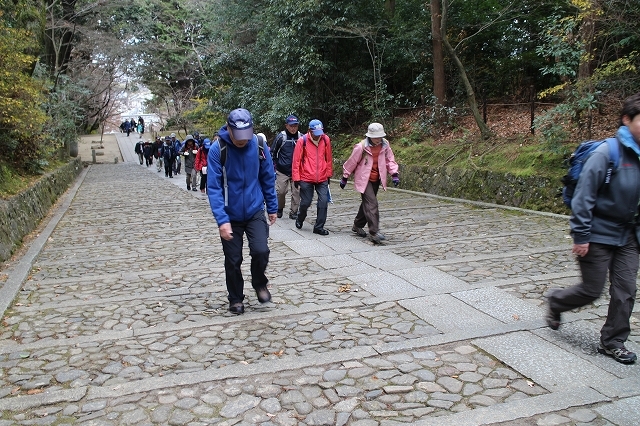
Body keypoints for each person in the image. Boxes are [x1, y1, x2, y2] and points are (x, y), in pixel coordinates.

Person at [546, 92, 640, 364]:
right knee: (591, 290)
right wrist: (581, 235)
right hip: (597, 232)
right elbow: (583, 197)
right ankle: (556, 302)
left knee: (626, 290)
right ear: (626, 120)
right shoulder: (606, 153)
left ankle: (613, 341)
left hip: (628, 235)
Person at [207, 108, 278, 315]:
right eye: (237, 137)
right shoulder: (217, 149)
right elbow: (214, 188)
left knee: (261, 250)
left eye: (245, 136)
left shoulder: (259, 145)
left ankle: (259, 282)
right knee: (233, 259)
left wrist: (272, 207)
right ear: (228, 129)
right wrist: (222, 220)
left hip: (255, 209)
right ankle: (236, 298)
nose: (242, 141)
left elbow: (267, 177)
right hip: (230, 214)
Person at [340, 123, 400, 244]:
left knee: (367, 204)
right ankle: (374, 232)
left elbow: (390, 160)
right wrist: (345, 177)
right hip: (364, 179)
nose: (378, 139)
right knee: (372, 203)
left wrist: (394, 174)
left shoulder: (385, 145)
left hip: (377, 178)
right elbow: (352, 162)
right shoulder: (361, 147)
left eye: (380, 136)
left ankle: (357, 224)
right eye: (376, 137)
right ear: (369, 136)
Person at [291, 119, 333, 235]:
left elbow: (328, 158)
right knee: (306, 202)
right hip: (306, 177)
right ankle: (300, 218)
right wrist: (296, 178)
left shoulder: (325, 139)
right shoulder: (302, 141)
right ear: (310, 131)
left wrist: (328, 174)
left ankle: (319, 227)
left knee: (323, 201)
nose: (318, 136)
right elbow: (296, 161)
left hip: (322, 176)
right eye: (316, 133)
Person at [271, 115, 303, 219]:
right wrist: (275, 165)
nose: (293, 128)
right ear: (286, 126)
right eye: (291, 126)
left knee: (296, 192)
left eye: (295, 126)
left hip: (297, 171)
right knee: (281, 191)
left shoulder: (301, 137)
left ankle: (294, 212)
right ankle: (279, 208)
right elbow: (273, 152)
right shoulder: (281, 137)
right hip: (282, 170)